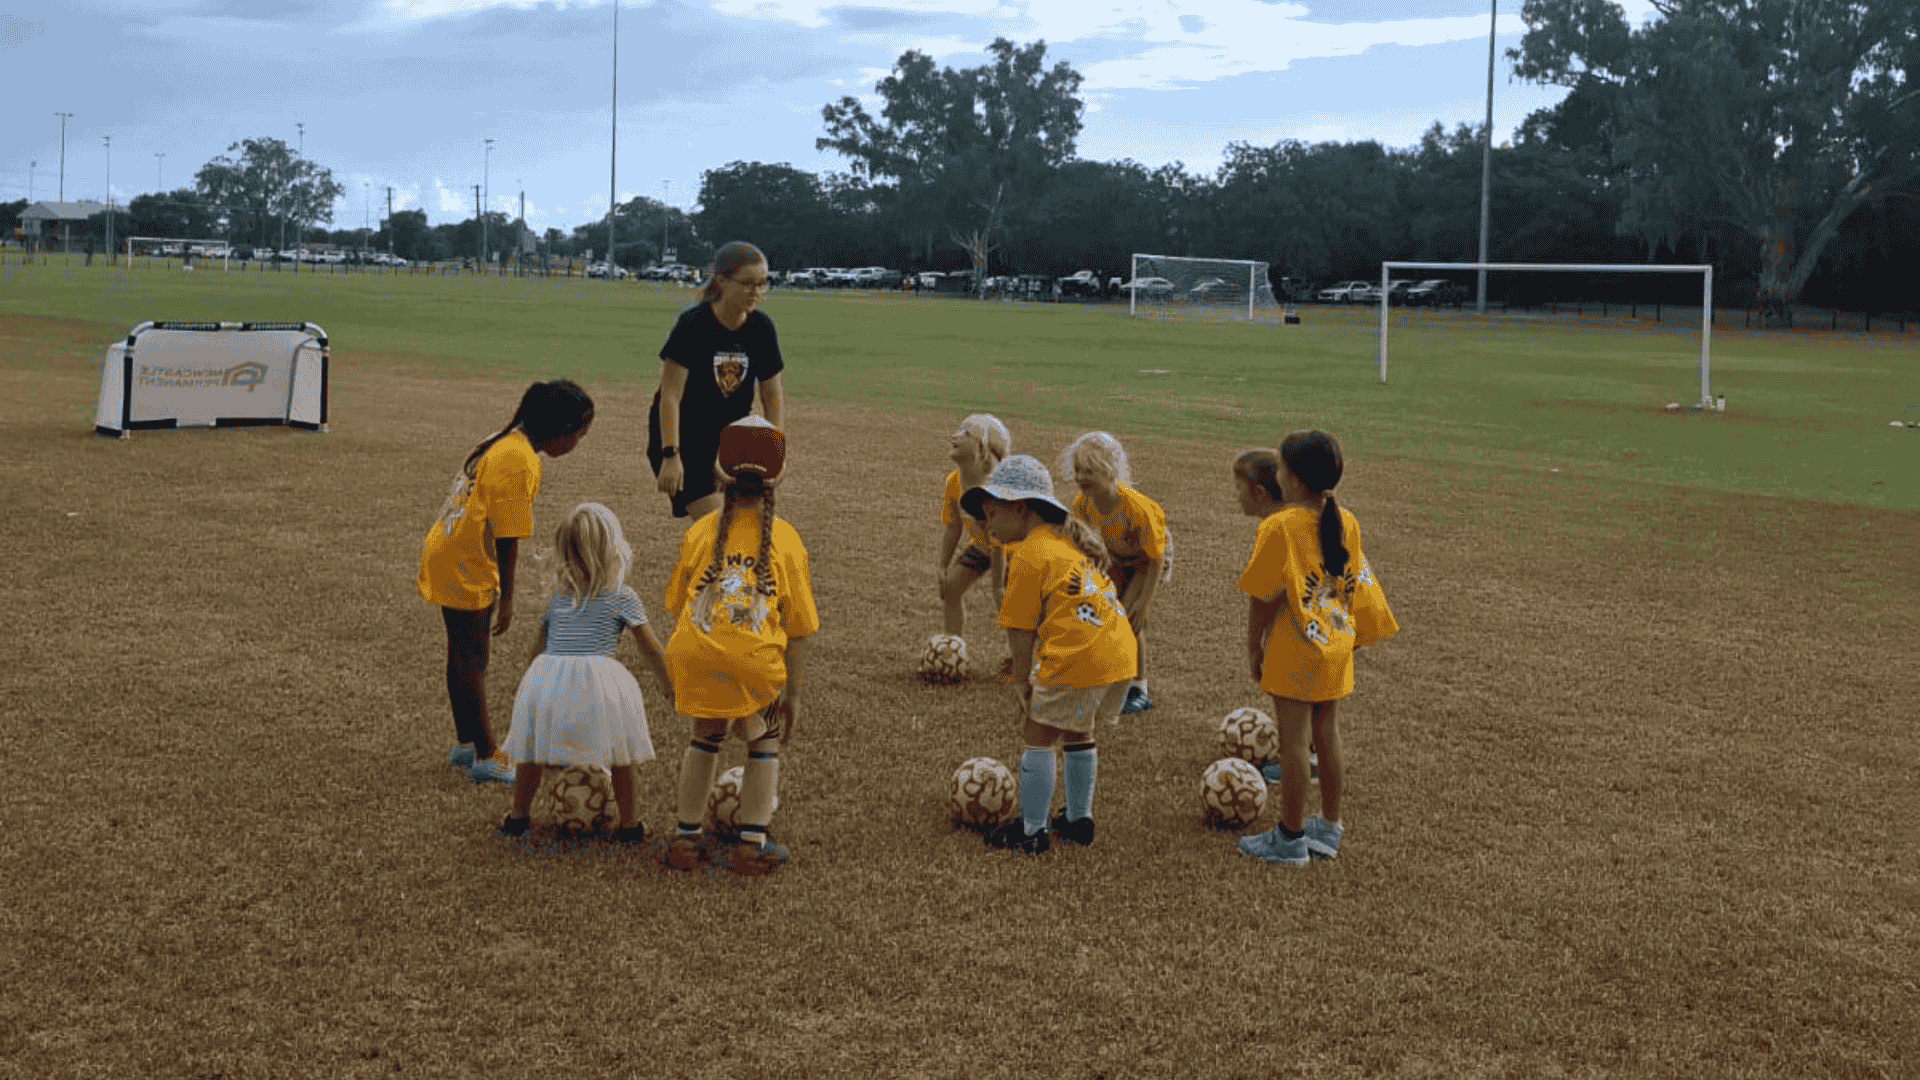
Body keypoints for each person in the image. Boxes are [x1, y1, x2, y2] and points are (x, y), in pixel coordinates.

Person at [661, 416, 818, 876]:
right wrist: (794, 696)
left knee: (704, 737)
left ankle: (685, 839)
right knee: (763, 741)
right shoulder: (787, 540)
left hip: (694, 653)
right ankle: (752, 844)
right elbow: (800, 631)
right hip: (754, 664)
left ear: (718, 473)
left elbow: (678, 606)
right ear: (778, 479)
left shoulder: (700, 531)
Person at [418, 379, 595, 784]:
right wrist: (509, 597)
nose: (577, 445)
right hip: (465, 561)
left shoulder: (504, 440)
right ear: (561, 430)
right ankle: (485, 756)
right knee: (473, 659)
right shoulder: (521, 460)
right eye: (578, 436)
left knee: (461, 654)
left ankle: (464, 746)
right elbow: (507, 536)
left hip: (447, 546)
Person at [1235, 430, 1398, 867]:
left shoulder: (1279, 526)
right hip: (1336, 646)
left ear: (1293, 478)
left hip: (1295, 649)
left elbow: (1263, 597)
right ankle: (1328, 827)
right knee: (1326, 735)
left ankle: (1288, 838)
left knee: (1293, 744)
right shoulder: (1347, 520)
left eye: (1282, 468)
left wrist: (1254, 647)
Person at [961, 455, 1137, 854]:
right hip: (1119, 653)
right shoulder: (1063, 545)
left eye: (991, 514)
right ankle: (1078, 819)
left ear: (1020, 508)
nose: (986, 525)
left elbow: (1020, 629)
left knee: (1037, 734)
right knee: (1078, 729)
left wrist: (1022, 681)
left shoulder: (1028, 554)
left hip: (1083, 655)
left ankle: (1032, 830)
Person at [498, 503, 672, 840]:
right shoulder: (623, 597)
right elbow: (649, 646)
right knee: (622, 754)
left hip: (547, 679)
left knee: (531, 752)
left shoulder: (559, 598)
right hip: (600, 682)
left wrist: (534, 687)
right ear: (613, 550)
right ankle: (630, 824)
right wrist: (669, 684)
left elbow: (537, 649)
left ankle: (518, 816)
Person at [647, 242, 785, 520]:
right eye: (747, 284)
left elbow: (772, 395)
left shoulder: (762, 328)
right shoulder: (693, 325)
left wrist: (775, 453)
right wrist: (671, 456)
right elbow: (670, 395)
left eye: (762, 284)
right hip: (687, 440)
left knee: (748, 526)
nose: (756, 292)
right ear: (722, 280)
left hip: (733, 441)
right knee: (722, 525)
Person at [1059, 432, 1169, 716]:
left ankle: (1139, 689)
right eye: (1078, 470)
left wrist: (1143, 603)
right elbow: (1083, 540)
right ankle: (1108, 675)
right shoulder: (1084, 503)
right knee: (1104, 611)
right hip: (1117, 559)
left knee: (1130, 618)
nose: (1081, 477)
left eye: (1090, 470)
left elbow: (1155, 560)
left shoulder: (1138, 509)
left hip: (1147, 562)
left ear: (1110, 471)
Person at [938, 414, 1012, 674]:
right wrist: (942, 566)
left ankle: (1019, 658)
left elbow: (1000, 543)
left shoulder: (994, 488)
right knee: (951, 588)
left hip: (1012, 552)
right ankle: (952, 649)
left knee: (1013, 606)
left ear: (982, 447)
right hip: (983, 548)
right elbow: (954, 526)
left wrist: (998, 586)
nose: (955, 436)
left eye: (965, 433)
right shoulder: (953, 482)